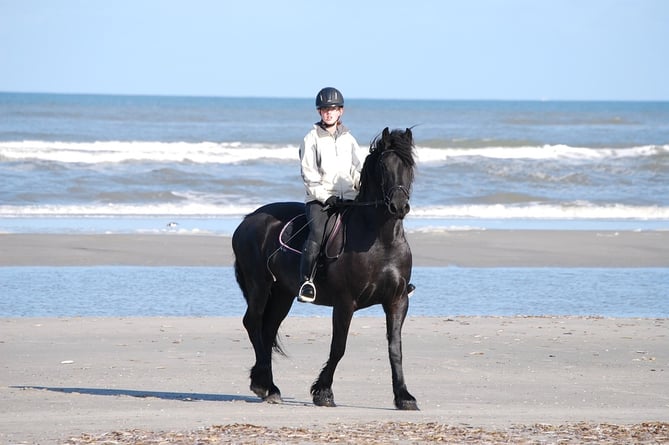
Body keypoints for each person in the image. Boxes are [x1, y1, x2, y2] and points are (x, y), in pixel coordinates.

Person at [296, 87, 366, 303]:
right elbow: (309, 175)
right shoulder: (311, 139)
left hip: (349, 198)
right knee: (317, 235)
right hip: (320, 200)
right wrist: (326, 197)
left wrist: (360, 189)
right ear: (319, 112)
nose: (328, 113)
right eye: (324, 109)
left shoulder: (349, 139)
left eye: (332, 109)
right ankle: (306, 281)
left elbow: (357, 169)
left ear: (341, 111)